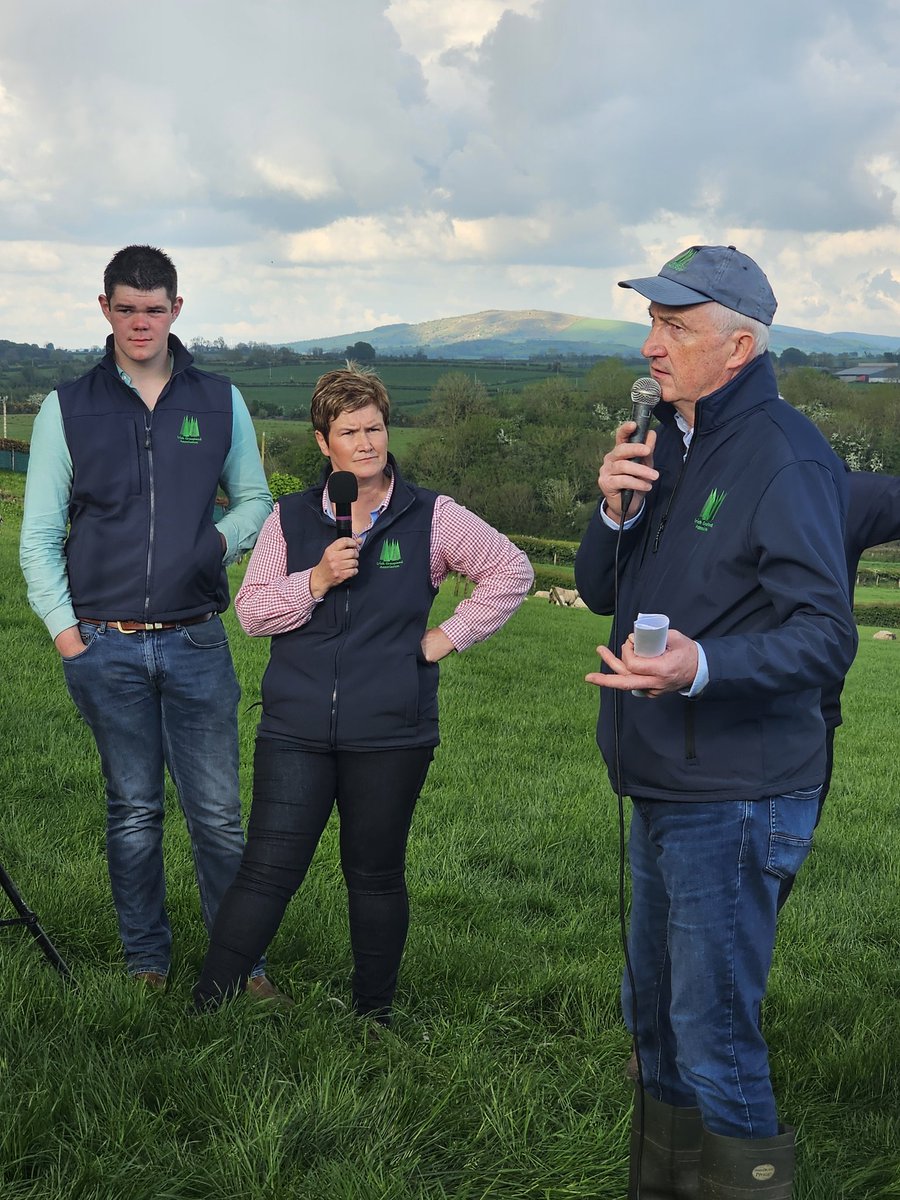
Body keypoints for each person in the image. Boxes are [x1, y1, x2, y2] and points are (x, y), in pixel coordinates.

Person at [574, 246, 857, 1198]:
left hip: (738, 794)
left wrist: (705, 666)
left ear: (737, 348)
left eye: (676, 328)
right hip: (662, 781)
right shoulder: (671, 437)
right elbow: (599, 591)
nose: (653, 346)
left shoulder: (785, 457)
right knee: (652, 1014)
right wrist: (612, 514)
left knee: (711, 1031)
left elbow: (825, 637)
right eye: (651, 324)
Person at [192, 363, 533, 1022]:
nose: (367, 443)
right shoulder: (291, 519)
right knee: (267, 869)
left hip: (391, 732)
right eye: (350, 431)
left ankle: (373, 1013)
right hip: (295, 730)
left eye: (374, 427)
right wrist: (315, 580)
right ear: (325, 443)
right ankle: (212, 1001)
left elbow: (510, 570)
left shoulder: (433, 516)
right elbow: (253, 612)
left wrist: (442, 641)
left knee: (374, 874)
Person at [20, 245, 276, 994]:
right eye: (126, 309)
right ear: (105, 310)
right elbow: (38, 536)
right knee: (133, 811)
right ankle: (146, 963)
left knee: (220, 816)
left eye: (154, 309)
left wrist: (214, 544)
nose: (140, 322)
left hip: (196, 638)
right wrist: (68, 634)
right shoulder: (66, 408)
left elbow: (254, 500)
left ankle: (241, 966)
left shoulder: (218, 399)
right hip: (104, 643)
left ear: (176, 309)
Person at [776, 468, 900, 909]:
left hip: (802, 723)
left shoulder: (831, 485)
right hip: (698, 714)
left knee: (746, 915)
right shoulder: (688, 469)